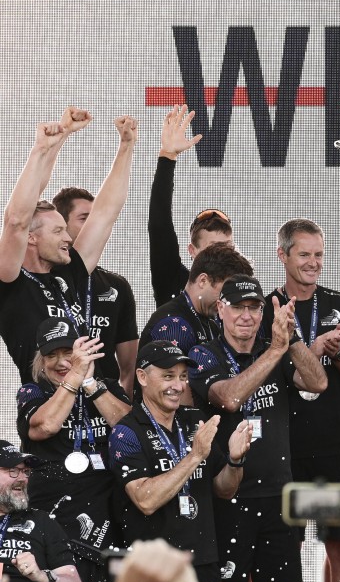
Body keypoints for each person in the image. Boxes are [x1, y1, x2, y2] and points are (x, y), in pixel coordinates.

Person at [188, 276, 327, 582]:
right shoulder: (203, 354)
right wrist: (275, 350)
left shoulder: (276, 349)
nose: (246, 315)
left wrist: (290, 338)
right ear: (221, 309)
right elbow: (229, 397)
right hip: (227, 496)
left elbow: (317, 382)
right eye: (238, 307)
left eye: (254, 307)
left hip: (278, 495)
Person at [265, 218, 340, 582]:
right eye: (304, 254)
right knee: (283, 552)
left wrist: (337, 353)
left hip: (332, 451)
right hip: (283, 452)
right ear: (283, 255)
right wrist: (311, 347)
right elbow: (262, 374)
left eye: (319, 255)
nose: (313, 263)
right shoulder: (265, 308)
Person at [0, 109, 136, 383]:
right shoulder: (10, 281)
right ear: (32, 237)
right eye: (59, 230)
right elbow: (16, 220)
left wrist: (126, 147)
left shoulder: (67, 271)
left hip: (98, 406)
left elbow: (105, 212)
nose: (69, 238)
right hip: (51, 408)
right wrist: (41, 150)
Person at [16, 316, 131, 582]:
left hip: (107, 521)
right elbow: (44, 426)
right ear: (41, 359)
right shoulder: (32, 391)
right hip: (54, 526)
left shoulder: (104, 386)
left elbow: (129, 429)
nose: (61, 361)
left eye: (69, 352)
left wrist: (91, 384)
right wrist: (73, 380)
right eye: (51, 355)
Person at [109, 340, 251, 582]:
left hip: (203, 561)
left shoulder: (195, 419)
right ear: (142, 377)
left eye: (183, 376)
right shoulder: (126, 432)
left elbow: (224, 490)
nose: (178, 386)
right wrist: (194, 457)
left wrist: (235, 461)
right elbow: (146, 500)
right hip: (153, 567)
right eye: (168, 376)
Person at [139, 241, 253, 405]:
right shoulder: (174, 326)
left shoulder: (210, 320)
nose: (227, 302)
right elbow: (174, 400)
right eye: (225, 292)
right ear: (203, 280)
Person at [52, 186, 139, 396]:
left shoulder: (116, 286)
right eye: (84, 219)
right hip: (56, 401)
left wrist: (123, 415)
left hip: (104, 403)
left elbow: (129, 368)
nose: (93, 226)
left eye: (95, 219)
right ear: (61, 226)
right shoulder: (44, 281)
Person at [149, 104, 233, 306]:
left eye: (227, 247)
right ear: (192, 251)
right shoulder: (173, 280)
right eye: (213, 248)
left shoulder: (242, 290)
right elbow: (160, 226)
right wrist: (168, 157)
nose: (222, 254)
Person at [0, 439, 84, 582]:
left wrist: (40, 576)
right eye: (13, 471)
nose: (23, 478)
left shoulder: (41, 521)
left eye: (26, 471)